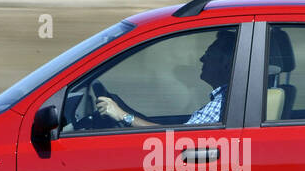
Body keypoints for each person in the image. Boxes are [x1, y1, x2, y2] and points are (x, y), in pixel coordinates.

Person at [94, 29, 235, 128]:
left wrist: (123, 116)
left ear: (225, 63)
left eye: (209, 55)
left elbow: (178, 138)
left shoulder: (221, 103)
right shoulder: (224, 101)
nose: (202, 58)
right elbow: (180, 129)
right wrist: (125, 110)